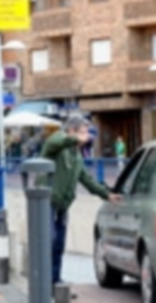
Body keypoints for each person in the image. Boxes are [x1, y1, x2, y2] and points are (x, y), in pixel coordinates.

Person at [40, 115, 123, 287]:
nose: (87, 137)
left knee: (59, 243)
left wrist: (107, 194)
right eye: (83, 133)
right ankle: (43, 284)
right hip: (47, 201)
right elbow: (55, 142)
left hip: (63, 205)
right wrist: (75, 138)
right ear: (71, 131)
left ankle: (55, 281)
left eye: (87, 133)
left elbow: (86, 179)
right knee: (49, 240)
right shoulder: (57, 145)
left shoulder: (76, 155)